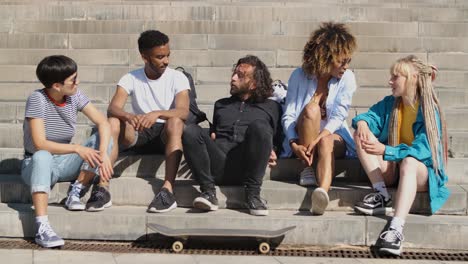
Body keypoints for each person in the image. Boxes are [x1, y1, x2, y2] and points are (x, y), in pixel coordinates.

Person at [352, 55, 450, 256]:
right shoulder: (392, 103)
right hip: (396, 169)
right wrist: (362, 123)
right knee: (361, 134)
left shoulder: (428, 110)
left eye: (395, 77)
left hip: (422, 173)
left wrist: (386, 150)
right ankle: (382, 194)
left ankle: (396, 229)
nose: (390, 81)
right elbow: (369, 117)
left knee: (410, 162)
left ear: (412, 79)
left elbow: (423, 152)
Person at [21, 55, 113, 248]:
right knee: (42, 155)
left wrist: (103, 154)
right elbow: (40, 143)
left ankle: (76, 191)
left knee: (103, 138)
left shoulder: (75, 95)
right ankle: (42, 226)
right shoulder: (37, 99)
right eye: (73, 80)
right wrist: (77, 148)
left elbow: (103, 122)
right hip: (37, 165)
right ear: (56, 86)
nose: (77, 82)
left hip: (64, 162)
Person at [182, 55, 281, 216]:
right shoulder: (221, 104)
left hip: (247, 165)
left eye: (240, 75)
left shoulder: (271, 107)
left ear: (254, 83)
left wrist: (272, 148)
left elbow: (275, 137)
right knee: (190, 129)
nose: (233, 78)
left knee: (260, 126)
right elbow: (214, 135)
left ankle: (253, 195)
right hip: (218, 163)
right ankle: (208, 192)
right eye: (234, 73)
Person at [107, 30, 190, 213]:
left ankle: (167, 190)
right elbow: (113, 108)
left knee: (175, 122)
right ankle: (102, 187)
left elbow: (184, 112)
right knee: (114, 121)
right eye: (160, 57)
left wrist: (157, 113)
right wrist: (129, 116)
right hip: (140, 131)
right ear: (145, 57)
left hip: (165, 135)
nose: (166, 61)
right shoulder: (130, 78)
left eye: (168, 55)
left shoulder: (178, 78)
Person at [280, 22, 357, 215]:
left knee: (326, 140)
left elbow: (339, 116)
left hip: (333, 137)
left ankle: (322, 192)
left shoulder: (347, 78)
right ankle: (307, 168)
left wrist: (320, 136)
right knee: (311, 109)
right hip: (302, 134)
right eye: (342, 61)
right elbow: (289, 114)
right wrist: (293, 143)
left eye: (349, 61)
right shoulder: (299, 75)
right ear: (327, 57)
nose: (346, 67)